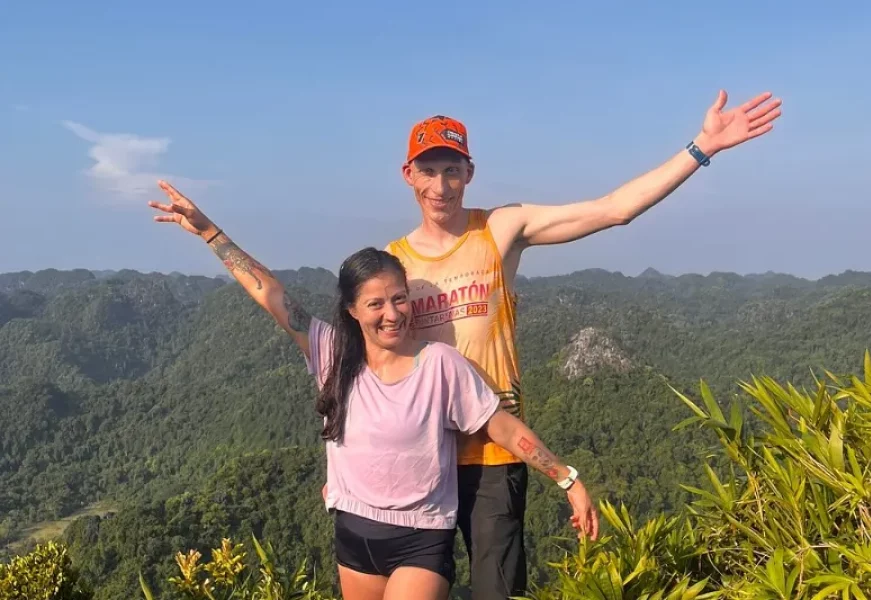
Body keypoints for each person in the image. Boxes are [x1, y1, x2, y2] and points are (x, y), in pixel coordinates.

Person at [385, 89, 782, 599]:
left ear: (469, 173)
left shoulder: (498, 230)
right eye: (429, 171)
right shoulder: (392, 264)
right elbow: (367, 367)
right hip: (423, 456)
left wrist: (701, 148)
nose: (440, 186)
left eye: (451, 170)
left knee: (497, 591)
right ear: (408, 175)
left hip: (494, 456)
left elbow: (613, 210)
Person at [147, 181, 598, 600]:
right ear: (352, 310)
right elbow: (269, 292)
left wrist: (567, 478)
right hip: (355, 539)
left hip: (421, 542)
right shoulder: (332, 354)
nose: (392, 314)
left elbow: (500, 425)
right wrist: (209, 232)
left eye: (400, 298)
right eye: (375, 304)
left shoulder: (440, 365)